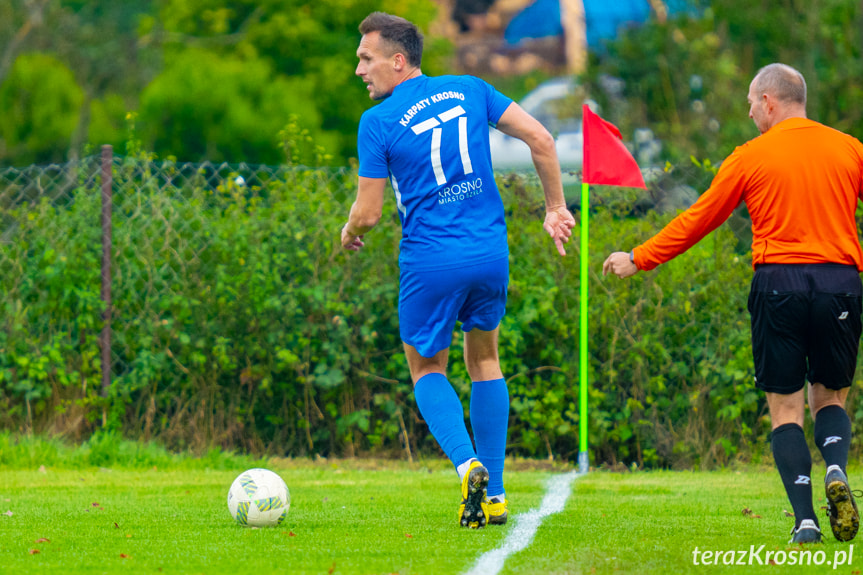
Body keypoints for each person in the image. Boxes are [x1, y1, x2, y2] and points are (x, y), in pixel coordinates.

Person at [603, 63, 863, 544]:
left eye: (750, 102)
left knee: (785, 408)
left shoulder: (751, 156)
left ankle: (806, 521)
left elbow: (699, 218)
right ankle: (837, 470)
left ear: (769, 101)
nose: (748, 112)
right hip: (841, 284)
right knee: (830, 395)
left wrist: (641, 257)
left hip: (778, 284)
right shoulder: (850, 149)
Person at [341, 12, 575, 529]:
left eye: (366, 58)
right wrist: (555, 207)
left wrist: (350, 230)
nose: (359, 69)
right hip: (490, 253)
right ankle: (496, 493)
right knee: (486, 361)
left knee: (427, 369)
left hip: (432, 258)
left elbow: (371, 212)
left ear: (398, 62)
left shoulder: (376, 122)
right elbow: (540, 138)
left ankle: (468, 467)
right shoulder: (469, 88)